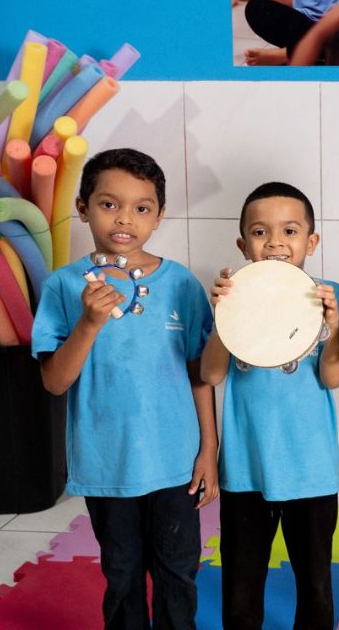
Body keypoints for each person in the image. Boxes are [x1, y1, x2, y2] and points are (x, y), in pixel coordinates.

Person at [32, 148, 217, 629]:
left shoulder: (182, 285)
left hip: (176, 462)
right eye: (109, 204)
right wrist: (89, 323)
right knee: (122, 573)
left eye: (142, 207)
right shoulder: (63, 287)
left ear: (159, 216)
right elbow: (54, 382)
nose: (125, 219)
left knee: (179, 573)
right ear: (82, 207)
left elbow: (200, 374)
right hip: (106, 462)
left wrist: (209, 452)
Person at [200, 182, 339, 630]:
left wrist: (335, 325)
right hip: (246, 468)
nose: (277, 242)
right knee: (241, 586)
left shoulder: (329, 291)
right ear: (244, 245)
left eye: (290, 230)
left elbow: (334, 377)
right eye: (261, 233)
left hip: (311, 467)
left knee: (316, 585)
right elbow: (211, 374)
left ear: (311, 241)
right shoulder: (235, 291)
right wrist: (223, 315)